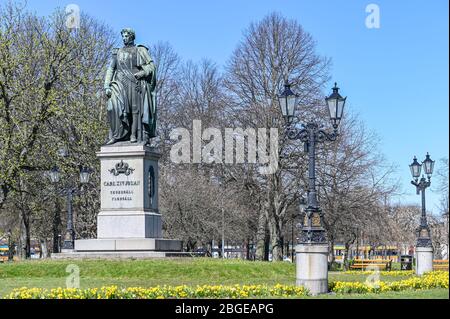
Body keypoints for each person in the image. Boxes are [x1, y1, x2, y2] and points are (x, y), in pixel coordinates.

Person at [104, 28, 157, 145]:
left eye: (126, 36)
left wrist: (143, 73)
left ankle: (133, 134)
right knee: (113, 108)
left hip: (134, 83)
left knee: (134, 110)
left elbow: (151, 66)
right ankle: (117, 134)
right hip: (119, 84)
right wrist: (106, 85)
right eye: (123, 36)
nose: (124, 38)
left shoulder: (140, 50)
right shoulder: (117, 52)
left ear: (132, 37)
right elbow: (111, 68)